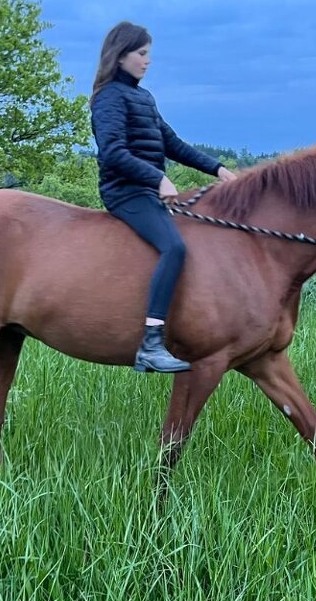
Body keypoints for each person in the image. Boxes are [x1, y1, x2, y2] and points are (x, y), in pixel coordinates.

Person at [90, 21, 238, 373]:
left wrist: (219, 170)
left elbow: (172, 144)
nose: (147, 61)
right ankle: (151, 343)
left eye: (148, 54)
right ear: (121, 55)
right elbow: (112, 152)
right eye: (142, 54)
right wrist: (157, 177)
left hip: (145, 190)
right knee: (175, 247)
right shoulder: (108, 97)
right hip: (125, 192)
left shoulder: (143, 97)